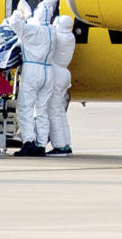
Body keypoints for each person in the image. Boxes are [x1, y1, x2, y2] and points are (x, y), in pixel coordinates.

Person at [8, 10, 54, 157]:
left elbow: (13, 23)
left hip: (32, 69)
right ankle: (41, 145)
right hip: (48, 70)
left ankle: (28, 142)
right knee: (42, 110)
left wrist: (19, 13)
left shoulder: (31, 30)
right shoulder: (52, 31)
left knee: (24, 108)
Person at [46, 15, 76, 155]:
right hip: (65, 73)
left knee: (53, 111)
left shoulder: (57, 36)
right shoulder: (70, 37)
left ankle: (59, 145)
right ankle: (65, 143)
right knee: (60, 111)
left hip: (56, 73)